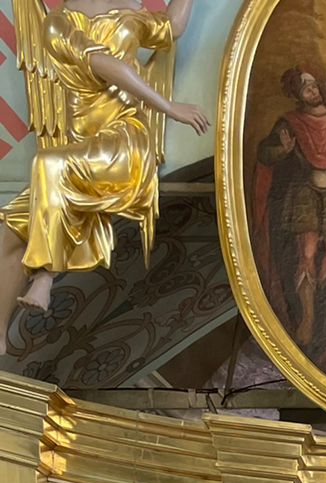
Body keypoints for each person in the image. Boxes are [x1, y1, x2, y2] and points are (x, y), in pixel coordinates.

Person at [0, 0, 207, 354]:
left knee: (49, 164)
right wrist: (169, 107)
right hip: (82, 151)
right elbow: (103, 64)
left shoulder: (130, 12)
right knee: (11, 232)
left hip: (124, 143)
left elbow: (171, 27)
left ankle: (46, 273)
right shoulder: (57, 24)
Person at [252, 68, 326, 340]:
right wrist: (283, 150)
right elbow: (264, 153)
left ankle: (324, 306)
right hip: (307, 191)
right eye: (306, 88)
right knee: (308, 253)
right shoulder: (291, 123)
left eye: (313, 85)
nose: (313, 90)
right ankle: (308, 316)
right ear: (297, 95)